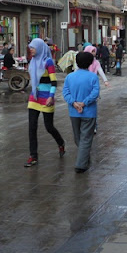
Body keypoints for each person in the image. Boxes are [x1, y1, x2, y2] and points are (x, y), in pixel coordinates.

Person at [24, 38, 66, 167]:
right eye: (30, 47)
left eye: (33, 47)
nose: (31, 49)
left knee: (49, 127)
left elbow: (54, 82)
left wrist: (51, 96)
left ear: (40, 48)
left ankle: (61, 143)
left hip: (47, 97)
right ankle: (33, 156)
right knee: (32, 127)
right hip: (34, 97)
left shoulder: (48, 62)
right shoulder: (32, 61)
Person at [62, 52, 100, 173]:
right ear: (90, 63)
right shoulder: (93, 77)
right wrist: (84, 103)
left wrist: (74, 103)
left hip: (74, 112)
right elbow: (95, 93)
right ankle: (81, 164)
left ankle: (83, 158)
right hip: (89, 111)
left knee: (78, 137)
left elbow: (65, 93)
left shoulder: (69, 77)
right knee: (86, 138)